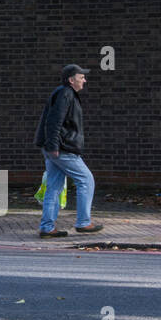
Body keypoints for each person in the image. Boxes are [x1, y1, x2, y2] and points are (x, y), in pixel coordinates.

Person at [34, 64, 103, 238]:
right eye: (81, 77)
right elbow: (54, 121)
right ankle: (83, 222)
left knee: (54, 187)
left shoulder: (63, 93)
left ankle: (47, 227)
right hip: (62, 148)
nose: (84, 80)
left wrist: (50, 146)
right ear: (71, 80)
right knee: (86, 180)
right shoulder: (66, 94)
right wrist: (53, 146)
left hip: (55, 147)